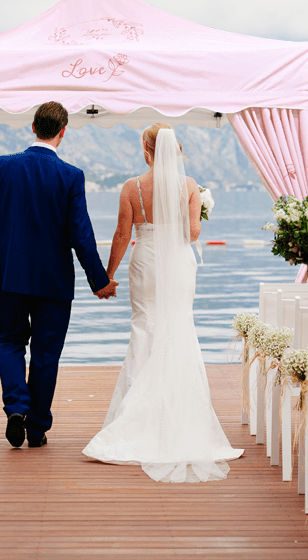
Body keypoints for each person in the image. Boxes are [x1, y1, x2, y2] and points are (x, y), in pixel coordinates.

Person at [82, 124, 243, 482]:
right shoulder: (189, 187)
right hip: (178, 262)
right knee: (179, 326)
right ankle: (180, 416)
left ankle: (135, 416)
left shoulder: (131, 187)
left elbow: (123, 234)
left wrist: (106, 276)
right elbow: (193, 233)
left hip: (146, 261)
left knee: (144, 327)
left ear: (146, 148)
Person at [0, 101, 118, 449]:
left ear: (33, 127)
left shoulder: (2, 167)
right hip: (54, 281)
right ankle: (36, 428)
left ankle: (16, 408)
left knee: (8, 342)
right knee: (46, 353)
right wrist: (99, 281)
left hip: (8, 275)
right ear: (62, 132)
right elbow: (81, 234)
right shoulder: (71, 176)